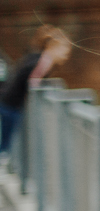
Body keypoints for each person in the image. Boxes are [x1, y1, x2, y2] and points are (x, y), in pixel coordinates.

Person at [1, 25, 71, 157]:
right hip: (11, 104)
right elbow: (34, 83)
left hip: (9, 102)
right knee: (6, 138)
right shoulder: (44, 62)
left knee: (7, 136)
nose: (66, 55)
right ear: (53, 47)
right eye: (64, 50)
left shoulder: (38, 58)